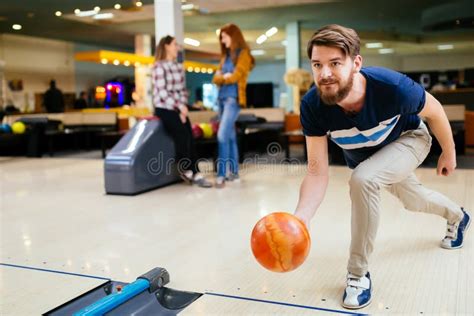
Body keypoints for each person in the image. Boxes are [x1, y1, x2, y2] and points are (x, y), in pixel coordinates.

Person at [294, 24, 470, 310]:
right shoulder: (313, 105)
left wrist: (448, 153)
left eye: (335, 63)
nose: (324, 74)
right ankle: (458, 217)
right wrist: (302, 218)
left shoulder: (392, 88)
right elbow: (316, 172)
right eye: (317, 64)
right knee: (414, 200)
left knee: (364, 180)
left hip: (410, 139)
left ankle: (357, 274)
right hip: (370, 159)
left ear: (356, 63)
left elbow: (436, 111)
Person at [152, 35, 212, 188]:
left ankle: (196, 173)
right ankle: (185, 167)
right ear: (166, 46)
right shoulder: (159, 66)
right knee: (182, 134)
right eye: (174, 44)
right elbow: (162, 92)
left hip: (179, 108)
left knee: (190, 137)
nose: (177, 47)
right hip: (164, 108)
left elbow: (183, 91)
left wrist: (183, 108)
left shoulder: (178, 66)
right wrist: (179, 108)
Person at [212, 23, 255, 188]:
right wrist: (223, 76)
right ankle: (234, 173)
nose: (222, 40)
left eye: (224, 36)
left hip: (233, 100)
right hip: (221, 99)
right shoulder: (225, 57)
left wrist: (222, 76)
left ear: (233, 36)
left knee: (221, 135)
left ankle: (221, 175)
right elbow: (215, 79)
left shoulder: (243, 54)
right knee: (229, 137)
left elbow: (236, 76)